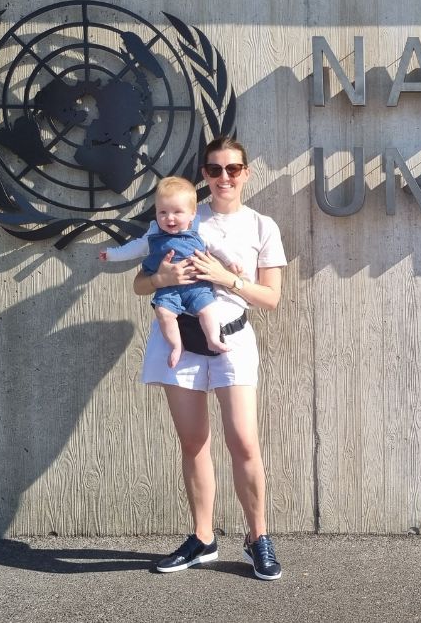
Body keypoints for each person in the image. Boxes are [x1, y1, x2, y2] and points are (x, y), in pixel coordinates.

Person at [132, 136, 286, 580]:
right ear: (204, 174)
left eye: (232, 169)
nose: (224, 178)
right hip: (178, 344)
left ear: (246, 173)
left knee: (244, 442)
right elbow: (140, 286)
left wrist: (226, 279)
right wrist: (163, 275)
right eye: (215, 170)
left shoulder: (262, 226)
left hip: (232, 343)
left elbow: (271, 299)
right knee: (193, 442)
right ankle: (202, 538)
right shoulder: (179, 215)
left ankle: (258, 538)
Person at [101, 176, 232, 368]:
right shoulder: (153, 234)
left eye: (177, 212)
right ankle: (177, 346)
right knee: (163, 312)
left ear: (192, 214)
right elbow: (135, 248)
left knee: (208, 310)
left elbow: (218, 247)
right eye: (162, 212)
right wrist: (112, 254)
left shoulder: (199, 230)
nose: (169, 218)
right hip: (168, 289)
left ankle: (212, 338)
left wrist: (231, 263)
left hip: (197, 286)